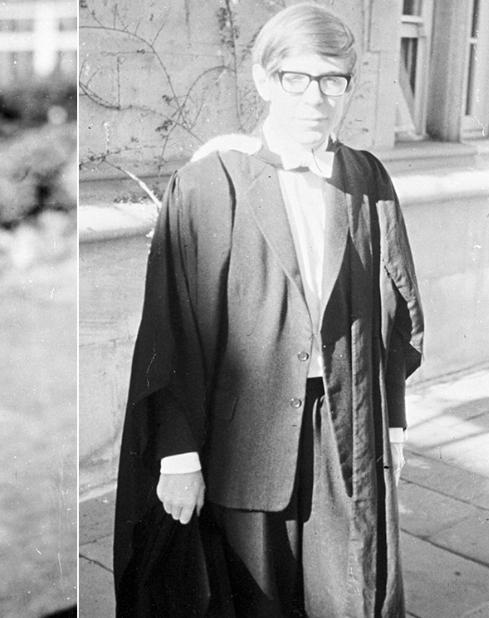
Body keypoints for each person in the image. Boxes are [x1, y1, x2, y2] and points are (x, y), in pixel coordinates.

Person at [113, 3, 424, 617]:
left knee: (352, 596)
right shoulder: (209, 184)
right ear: (263, 80)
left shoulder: (368, 180)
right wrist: (177, 455)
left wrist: (392, 425)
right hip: (243, 439)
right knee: (251, 601)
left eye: (333, 80)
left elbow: (395, 313)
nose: (316, 97)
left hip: (347, 433)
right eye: (297, 79)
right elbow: (170, 330)